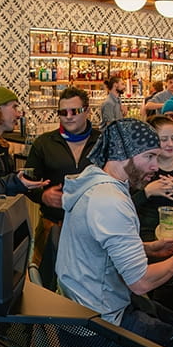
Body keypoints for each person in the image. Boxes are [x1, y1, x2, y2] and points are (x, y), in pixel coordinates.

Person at [57, 118, 173, 346]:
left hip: (78, 307)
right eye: (149, 156)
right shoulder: (110, 200)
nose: (156, 166)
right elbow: (140, 282)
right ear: (123, 154)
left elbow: (99, 248)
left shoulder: (95, 183)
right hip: (95, 325)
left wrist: (149, 248)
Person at [27, 87, 100, 281]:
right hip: (54, 225)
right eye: (62, 112)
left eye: (74, 111)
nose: (68, 117)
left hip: (95, 226)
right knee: (48, 282)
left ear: (87, 110)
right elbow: (28, 183)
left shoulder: (102, 141)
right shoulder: (44, 143)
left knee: (88, 282)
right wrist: (42, 195)